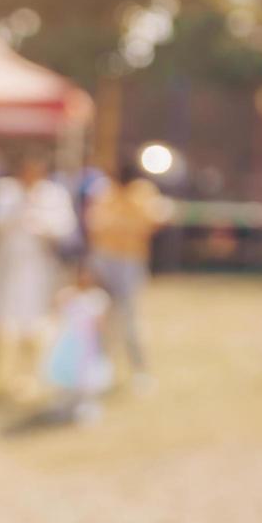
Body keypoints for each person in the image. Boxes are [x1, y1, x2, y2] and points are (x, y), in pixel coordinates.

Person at [0, 152, 77, 398]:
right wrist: (20, 206)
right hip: (5, 266)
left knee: (33, 327)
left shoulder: (54, 194)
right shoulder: (3, 191)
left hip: (37, 268)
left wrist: (41, 223)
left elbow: (65, 228)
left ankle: (26, 376)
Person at [86, 161, 170, 387]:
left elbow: (151, 221)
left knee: (129, 319)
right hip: (105, 260)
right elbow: (97, 223)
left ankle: (138, 370)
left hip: (130, 261)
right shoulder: (104, 190)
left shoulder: (142, 192)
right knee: (102, 318)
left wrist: (122, 221)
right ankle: (99, 370)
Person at [43, 263, 114, 423]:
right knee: (66, 377)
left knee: (86, 378)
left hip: (88, 344)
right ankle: (63, 405)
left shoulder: (98, 297)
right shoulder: (68, 294)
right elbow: (55, 309)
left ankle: (85, 408)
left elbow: (101, 324)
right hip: (69, 342)